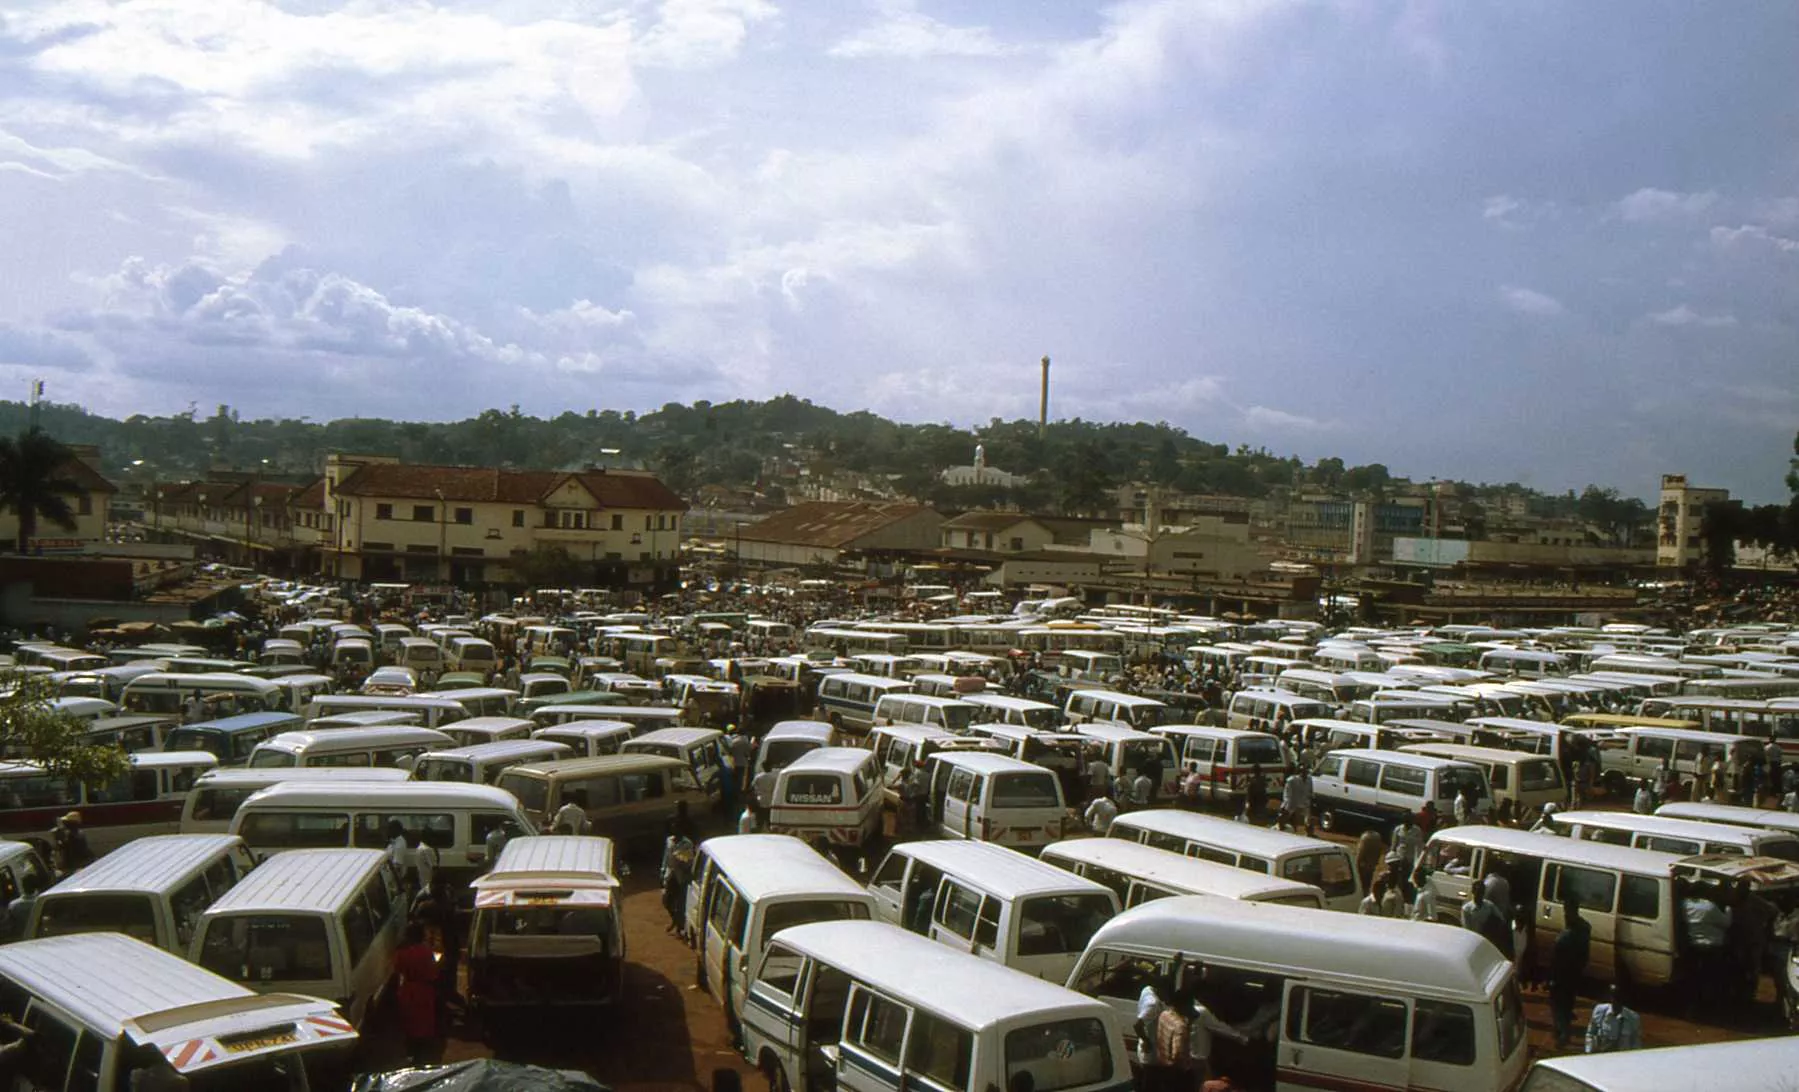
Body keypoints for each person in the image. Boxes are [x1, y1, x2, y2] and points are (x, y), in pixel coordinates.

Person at [394, 922, 440, 1065]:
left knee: (409, 1021)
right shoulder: (426, 951)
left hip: (408, 990)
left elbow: (398, 968)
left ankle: (411, 1052)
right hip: (424, 990)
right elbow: (433, 972)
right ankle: (424, 1051)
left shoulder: (402, 952)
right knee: (425, 1021)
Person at [1550, 900, 1591, 1051]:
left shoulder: (1568, 935)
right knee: (1566, 1003)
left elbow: (1556, 959)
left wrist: (1553, 977)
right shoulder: (1584, 927)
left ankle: (1563, 1033)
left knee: (1560, 1004)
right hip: (1573, 973)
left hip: (1564, 973)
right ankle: (1560, 1029)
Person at [1584, 984, 1641, 1053]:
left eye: (1619, 998)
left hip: (1622, 1057)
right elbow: (1590, 1034)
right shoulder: (1600, 1011)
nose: (1616, 1001)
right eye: (1614, 997)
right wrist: (1589, 1051)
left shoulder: (1633, 1018)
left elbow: (1636, 1043)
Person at [51, 811, 92, 878]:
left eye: (66, 822)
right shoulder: (79, 832)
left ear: (71, 823)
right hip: (80, 862)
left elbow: (62, 847)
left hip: (75, 865)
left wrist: (58, 836)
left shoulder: (71, 835)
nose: (65, 824)